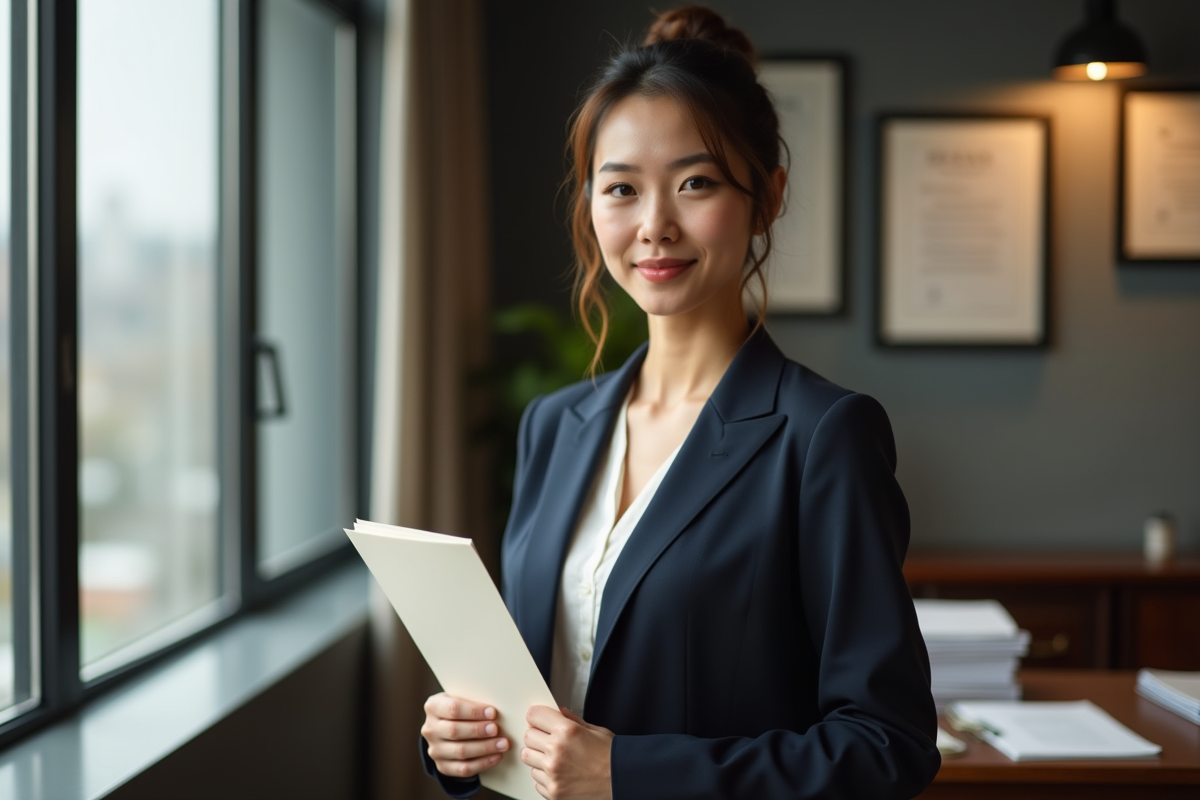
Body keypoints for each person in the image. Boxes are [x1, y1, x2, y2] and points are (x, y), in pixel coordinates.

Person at [420, 6, 940, 799]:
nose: (655, 226)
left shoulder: (822, 436)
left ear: (768, 196)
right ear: (591, 209)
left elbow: (884, 747)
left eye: (695, 183)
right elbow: (534, 687)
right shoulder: (553, 427)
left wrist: (626, 772)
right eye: (621, 188)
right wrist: (463, 739)